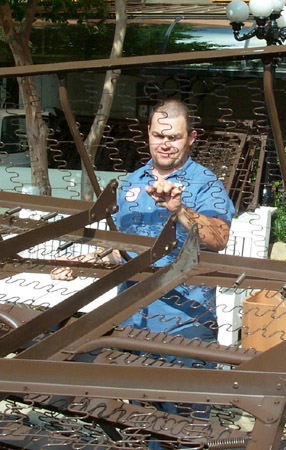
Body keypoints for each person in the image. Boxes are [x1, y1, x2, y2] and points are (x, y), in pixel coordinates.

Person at [52, 97, 235, 350]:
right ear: (148, 132)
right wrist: (84, 263)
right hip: (129, 322)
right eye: (159, 136)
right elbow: (121, 251)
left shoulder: (206, 183)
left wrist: (179, 209)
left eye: (174, 138)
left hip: (186, 327)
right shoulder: (129, 184)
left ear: (191, 138)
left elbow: (219, 239)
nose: (165, 144)